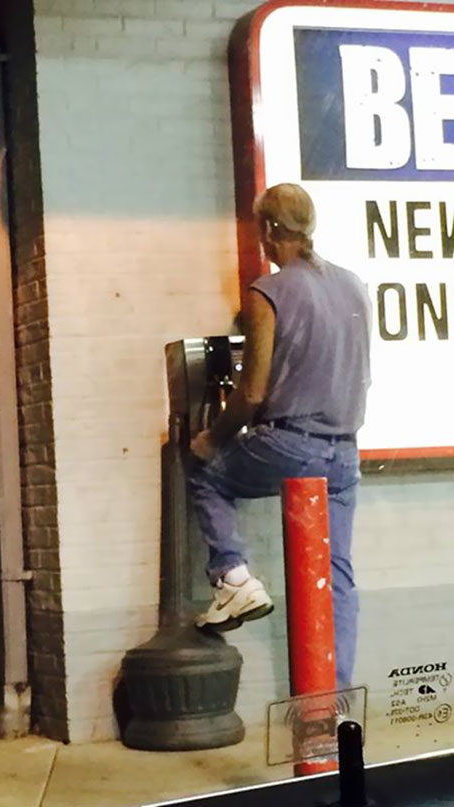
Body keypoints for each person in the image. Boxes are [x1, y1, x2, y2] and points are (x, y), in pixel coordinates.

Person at [188, 183, 372, 689]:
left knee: (206, 474)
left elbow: (251, 392)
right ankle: (334, 703)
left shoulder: (267, 291)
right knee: (338, 577)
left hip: (290, 444)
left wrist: (212, 439)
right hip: (344, 454)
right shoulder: (354, 285)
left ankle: (233, 578)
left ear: (269, 230)